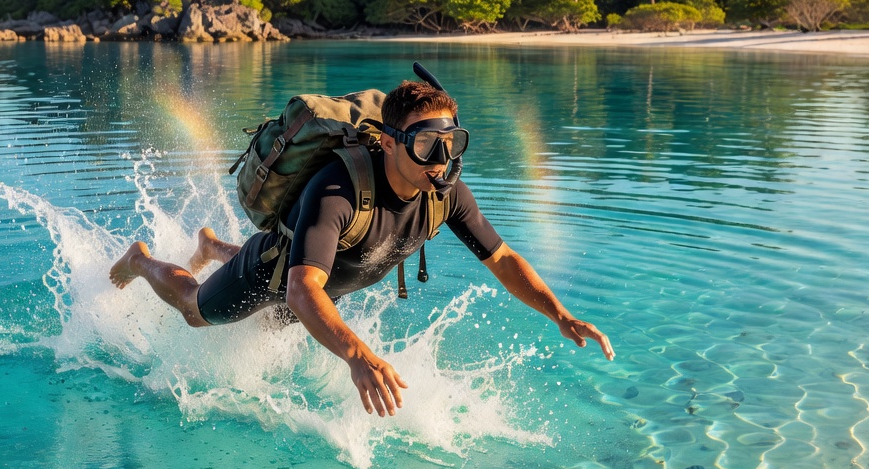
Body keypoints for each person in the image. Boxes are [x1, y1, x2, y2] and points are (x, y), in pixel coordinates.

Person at [109, 80, 615, 417]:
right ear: (392, 143)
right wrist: (357, 356)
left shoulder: (446, 193)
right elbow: (303, 286)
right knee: (197, 311)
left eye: (452, 144)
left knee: (269, 325)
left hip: (317, 285)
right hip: (280, 274)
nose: (440, 161)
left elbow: (502, 259)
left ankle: (214, 245)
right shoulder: (338, 189)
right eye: (425, 146)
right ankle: (142, 259)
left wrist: (560, 315)